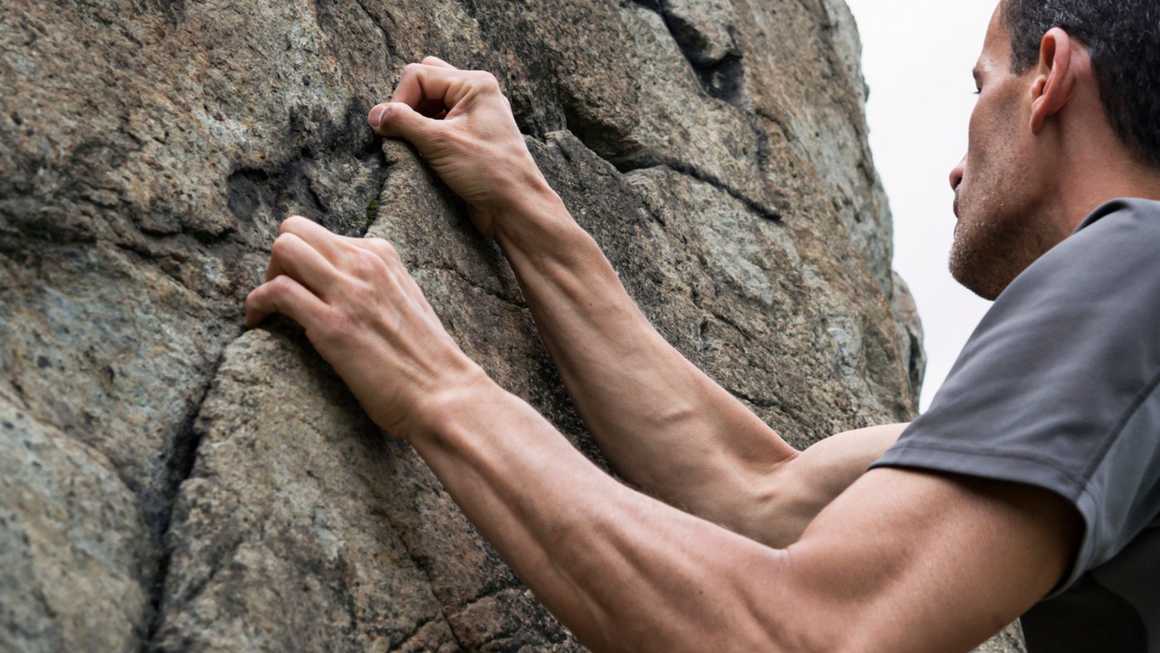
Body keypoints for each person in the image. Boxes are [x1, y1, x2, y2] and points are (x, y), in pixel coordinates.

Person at [243, 0, 1160, 650]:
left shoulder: (1136, 268)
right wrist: (524, 206)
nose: (956, 169)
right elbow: (755, 491)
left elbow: (808, 633)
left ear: (1048, 77)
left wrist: (439, 388)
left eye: (979, 85)